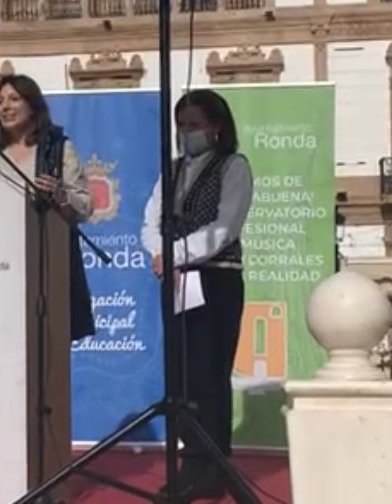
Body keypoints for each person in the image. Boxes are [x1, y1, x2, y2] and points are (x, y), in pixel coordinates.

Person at [140, 89, 253, 500]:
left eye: (194, 125)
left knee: (209, 374)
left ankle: (214, 464)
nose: (186, 134)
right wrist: (157, 250)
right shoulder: (171, 171)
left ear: (215, 127)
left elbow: (225, 228)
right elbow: (150, 219)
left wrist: (175, 253)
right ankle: (191, 461)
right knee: (181, 376)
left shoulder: (232, 166)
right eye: (181, 126)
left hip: (214, 280)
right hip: (176, 281)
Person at [0, 74, 95, 341]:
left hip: (46, 262)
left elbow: (84, 207)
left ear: (33, 106)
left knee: (45, 348)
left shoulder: (58, 148)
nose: (5, 107)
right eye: (0, 101)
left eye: (14, 99)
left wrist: (60, 194)